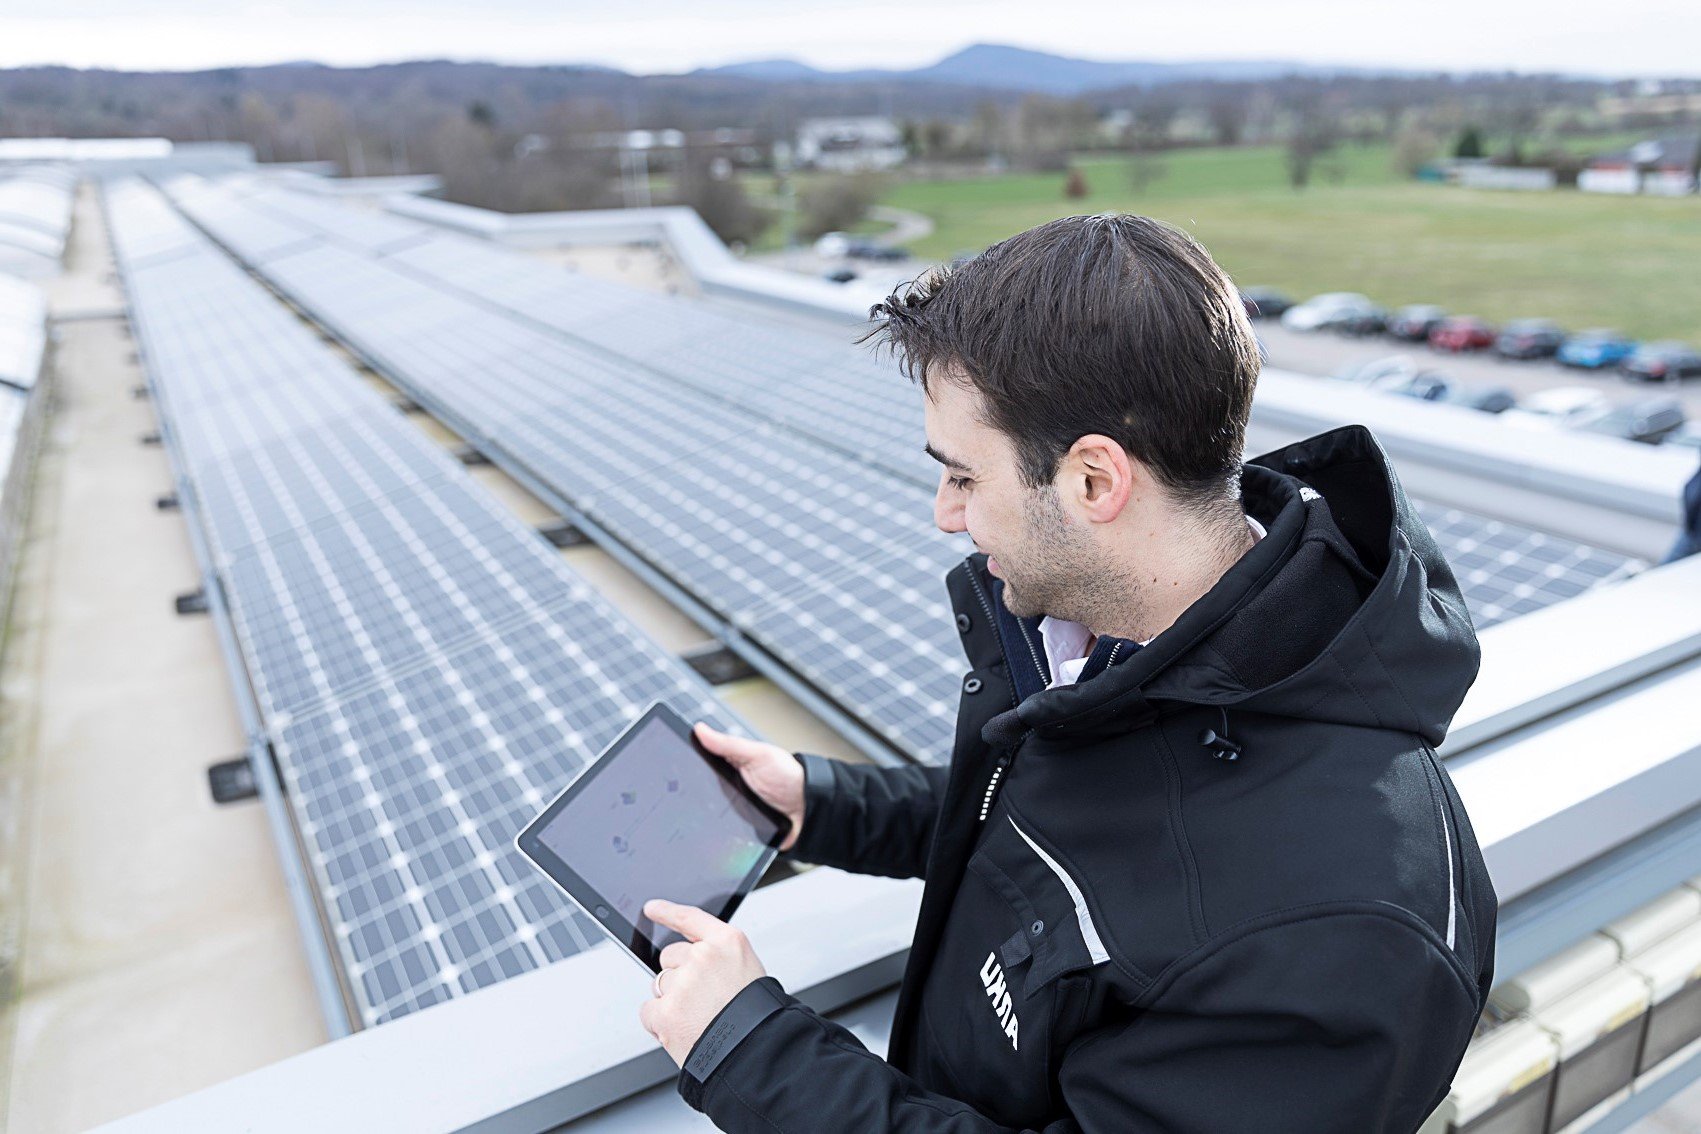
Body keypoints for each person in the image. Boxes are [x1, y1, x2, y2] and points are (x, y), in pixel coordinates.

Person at [636, 213, 1496, 1132]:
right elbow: (1055, 839)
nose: (944, 513)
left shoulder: (1341, 939)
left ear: (1094, 481)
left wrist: (751, 1052)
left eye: (963, 476)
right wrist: (823, 802)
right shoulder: (1136, 653)